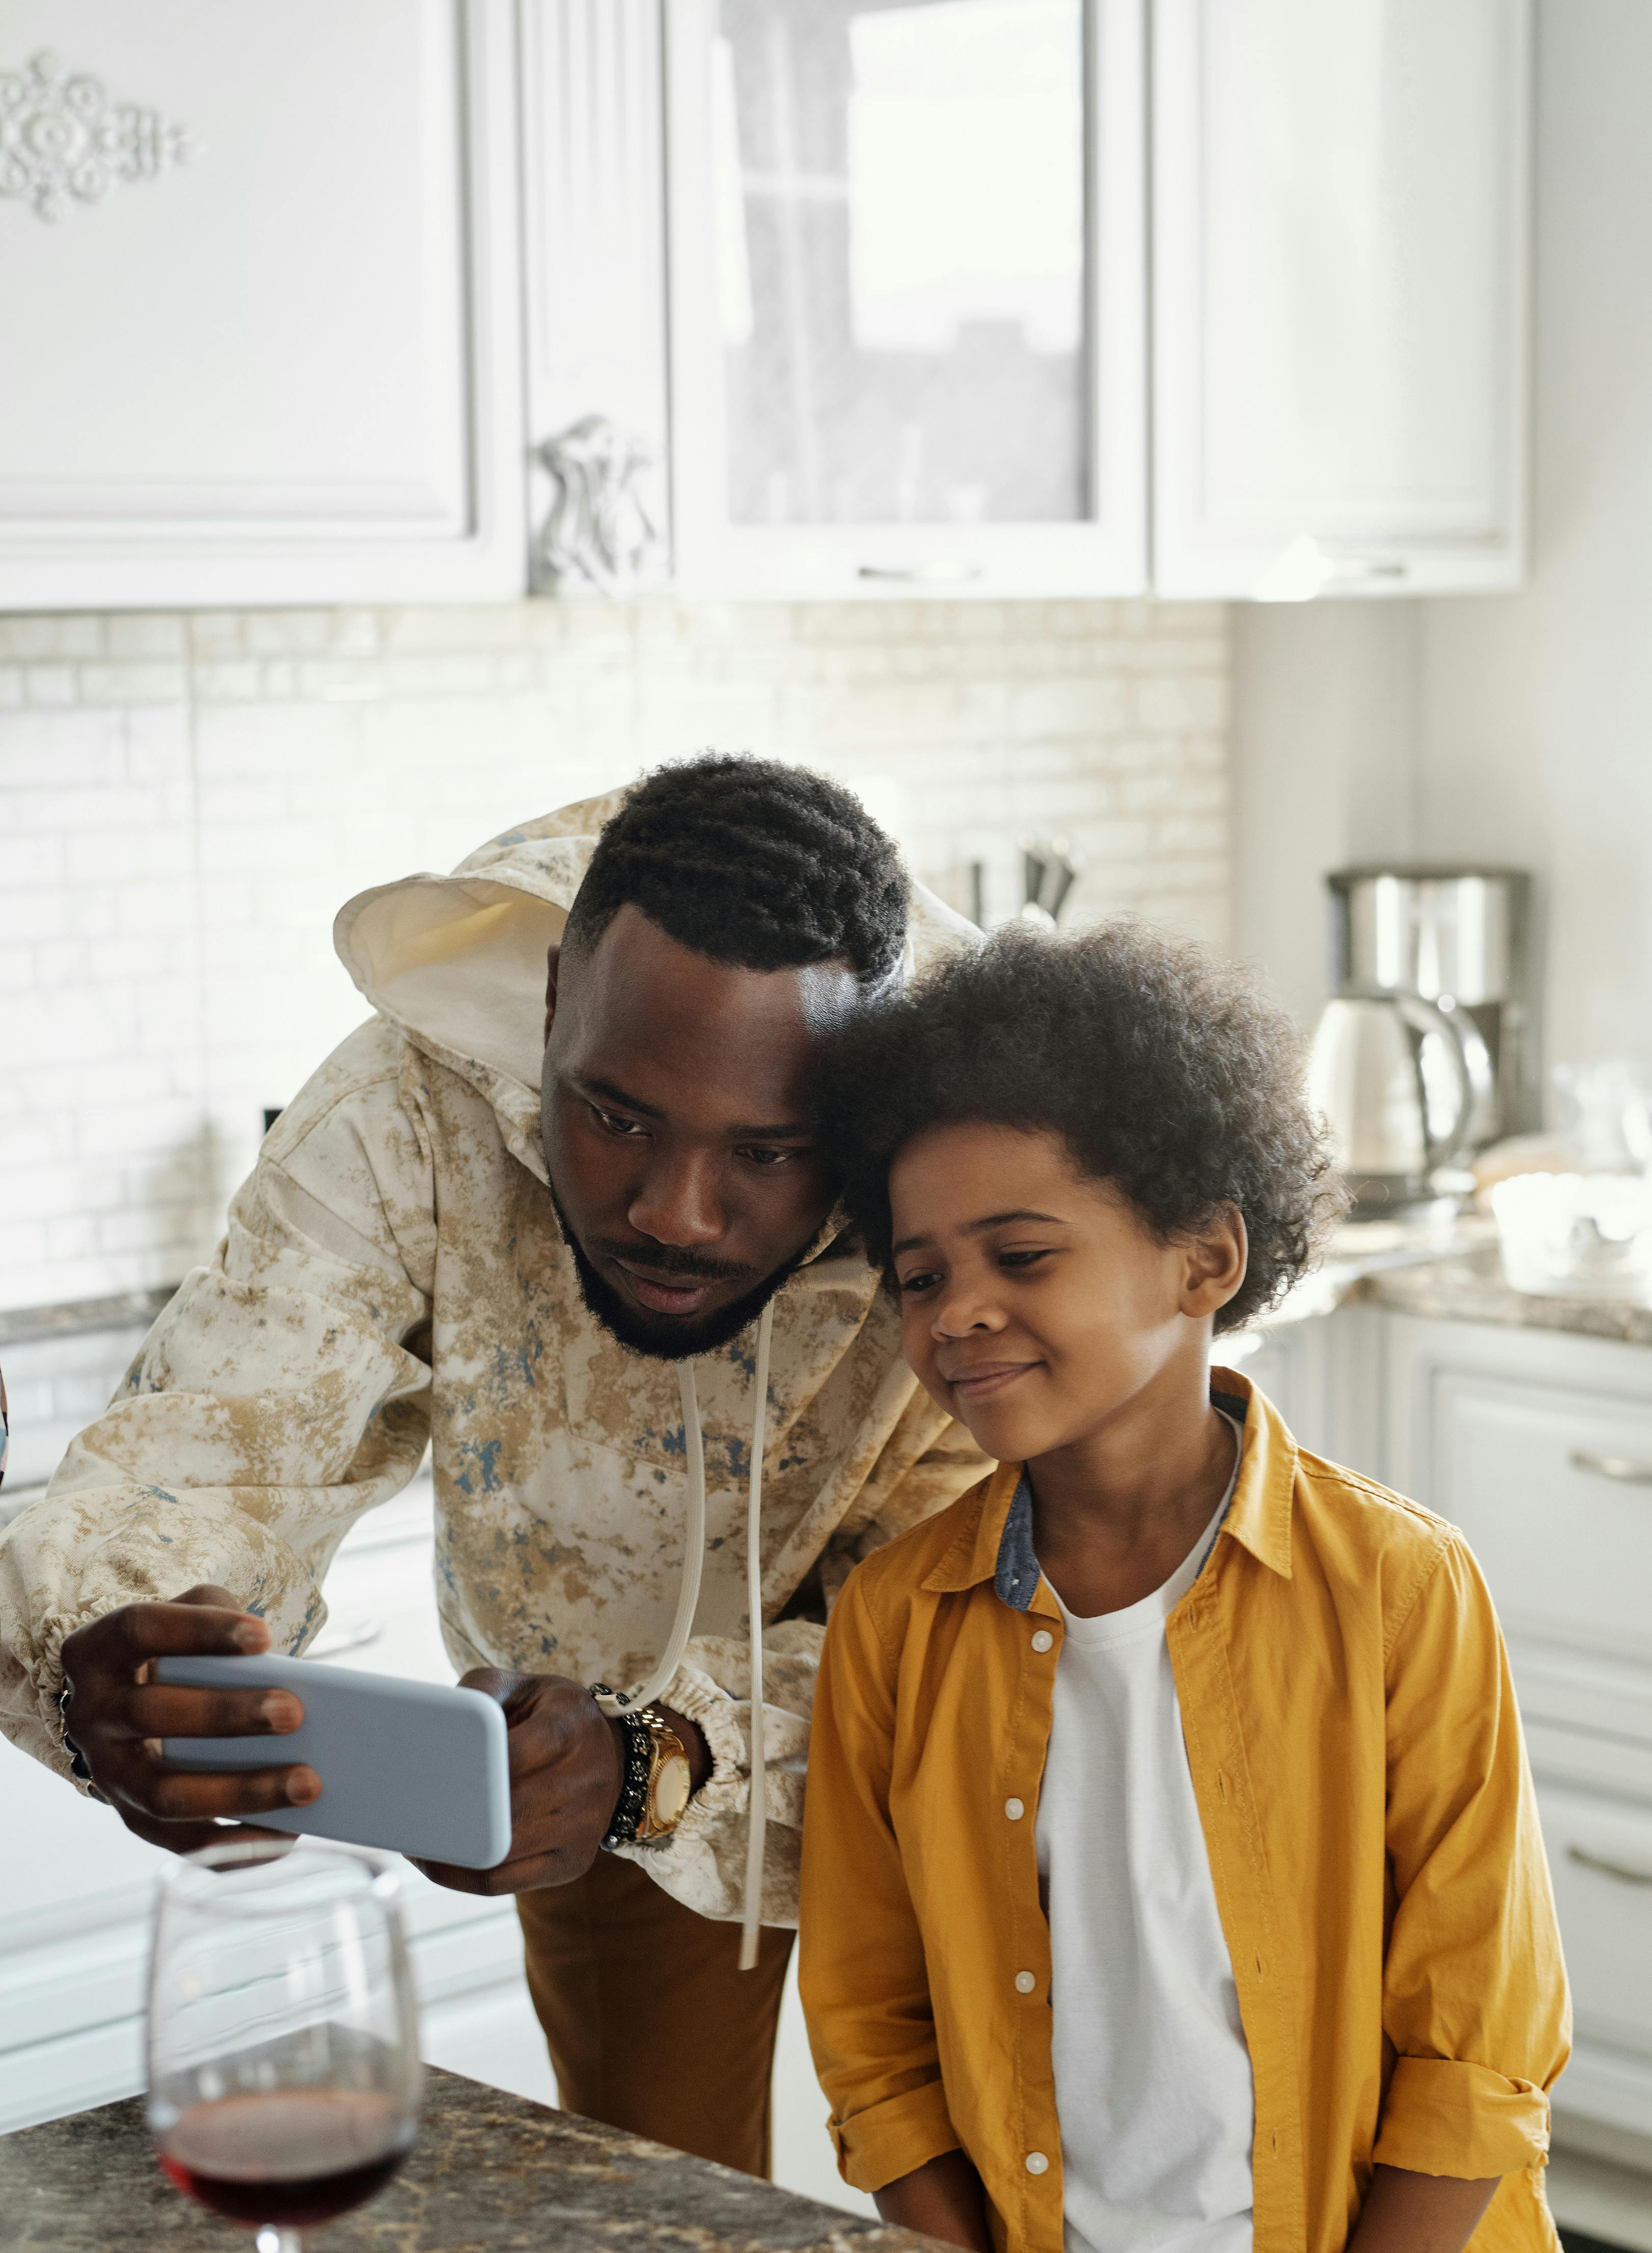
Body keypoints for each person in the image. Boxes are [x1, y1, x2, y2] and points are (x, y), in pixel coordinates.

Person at [0, 757, 986, 2178]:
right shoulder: (406, 1109)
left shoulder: (980, 1139)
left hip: (959, 1747)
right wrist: (106, 1652)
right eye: (616, 1114)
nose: (674, 1212)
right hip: (592, 1766)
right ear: (546, 1017)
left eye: (767, 1149)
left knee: (1010, 2231)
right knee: (662, 2229)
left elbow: (1002, 1647)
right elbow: (202, 1457)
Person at [798, 924, 1571, 2253]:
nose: (957, 1310)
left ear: (1205, 1255)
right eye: (918, 1275)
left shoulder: (1401, 1589)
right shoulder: (894, 1628)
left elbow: (1481, 2054)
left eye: (1021, 1254)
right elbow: (874, 2041)